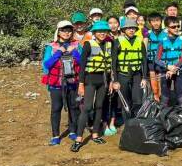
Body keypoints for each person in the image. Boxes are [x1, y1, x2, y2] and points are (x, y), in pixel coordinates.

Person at [71, 21, 112, 152]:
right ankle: (78, 138)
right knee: (87, 107)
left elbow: (113, 65)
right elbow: (82, 67)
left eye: (104, 31)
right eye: (99, 31)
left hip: (103, 80)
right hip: (90, 79)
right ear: (94, 33)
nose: (102, 33)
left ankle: (95, 134)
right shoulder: (88, 44)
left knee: (99, 106)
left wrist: (112, 81)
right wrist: (81, 84)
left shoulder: (110, 44)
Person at [42, 20, 82, 145]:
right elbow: (47, 64)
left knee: (74, 107)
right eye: (63, 30)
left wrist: (74, 52)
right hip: (56, 84)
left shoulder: (77, 45)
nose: (66, 32)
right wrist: (59, 52)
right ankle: (55, 135)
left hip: (72, 82)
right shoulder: (51, 47)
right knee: (56, 108)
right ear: (58, 32)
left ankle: (72, 131)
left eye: (69, 30)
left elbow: (83, 63)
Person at [111, 19, 148, 119]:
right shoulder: (117, 41)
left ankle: (136, 121)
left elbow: (144, 60)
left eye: (133, 28)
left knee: (138, 100)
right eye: (128, 28)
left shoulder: (140, 42)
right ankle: (128, 124)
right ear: (124, 30)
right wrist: (115, 81)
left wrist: (144, 77)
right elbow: (113, 62)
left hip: (137, 75)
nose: (131, 30)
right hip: (122, 75)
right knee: (125, 102)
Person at [155, 16, 182, 107]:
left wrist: (174, 68)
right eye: (173, 27)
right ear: (167, 28)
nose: (176, 28)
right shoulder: (162, 41)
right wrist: (167, 67)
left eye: (178, 26)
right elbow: (157, 59)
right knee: (165, 94)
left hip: (179, 70)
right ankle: (162, 115)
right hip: (165, 71)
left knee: (180, 93)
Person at [145, 12, 165, 101]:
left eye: (157, 21)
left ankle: (161, 98)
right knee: (153, 78)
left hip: (161, 60)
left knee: (160, 80)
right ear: (150, 23)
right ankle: (156, 97)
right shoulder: (147, 34)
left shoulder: (165, 33)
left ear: (161, 21)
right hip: (151, 60)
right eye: (153, 21)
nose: (156, 23)